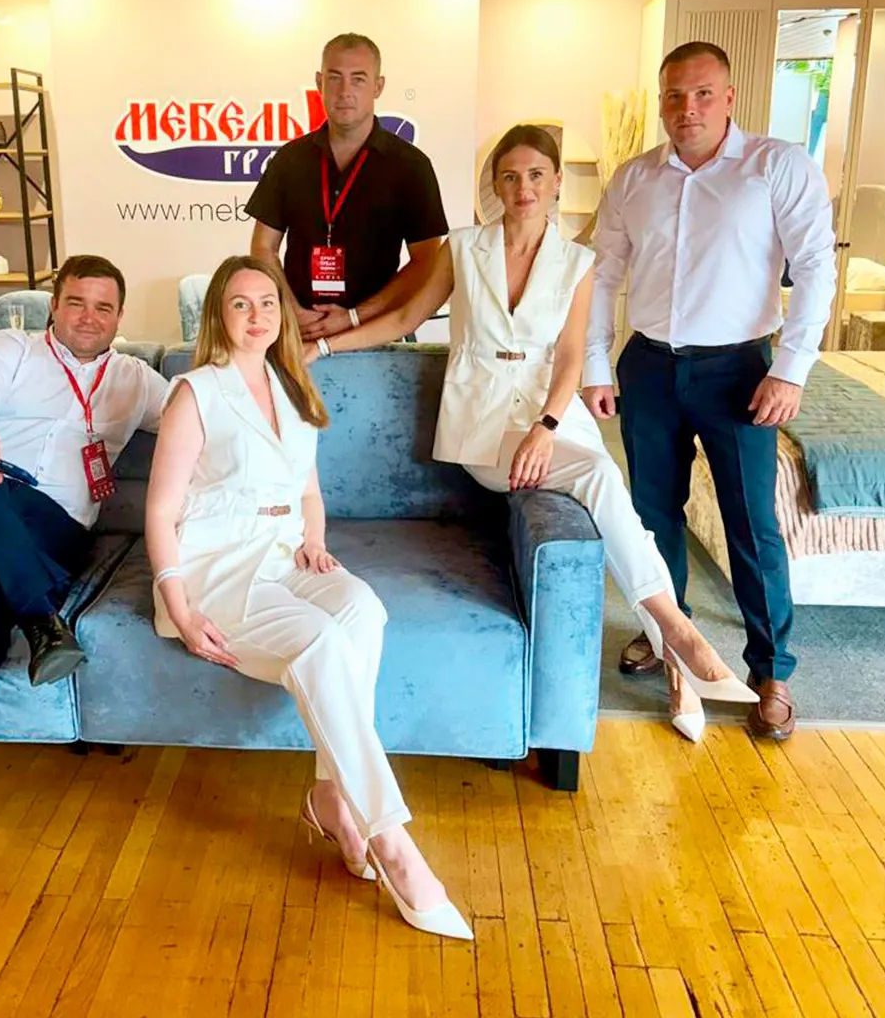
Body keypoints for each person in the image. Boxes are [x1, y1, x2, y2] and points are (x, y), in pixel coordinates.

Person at [304, 125, 757, 744]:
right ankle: (679, 632)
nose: (524, 188)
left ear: (556, 182)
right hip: (483, 425)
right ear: (495, 185)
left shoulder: (578, 263)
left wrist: (546, 427)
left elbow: (570, 357)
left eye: (536, 175)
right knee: (600, 475)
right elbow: (407, 315)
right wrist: (329, 344)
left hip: (553, 417)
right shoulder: (464, 249)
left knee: (611, 497)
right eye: (511, 176)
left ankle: (678, 659)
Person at [145, 254, 471, 940]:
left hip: (282, 555)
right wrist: (178, 607)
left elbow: (309, 491)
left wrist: (314, 542)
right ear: (218, 316)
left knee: (363, 609)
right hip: (214, 569)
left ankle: (330, 796)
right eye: (240, 303)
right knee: (319, 642)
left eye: (268, 302)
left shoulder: (293, 386)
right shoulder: (194, 393)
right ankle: (391, 840)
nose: (256, 315)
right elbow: (160, 510)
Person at [582, 41, 837, 742]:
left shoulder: (776, 166)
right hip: (650, 367)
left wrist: (792, 368)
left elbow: (816, 267)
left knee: (751, 522)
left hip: (741, 372)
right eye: (674, 95)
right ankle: (667, 635)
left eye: (701, 94)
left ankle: (771, 670)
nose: (686, 108)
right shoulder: (634, 178)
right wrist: (596, 365)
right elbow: (602, 274)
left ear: (728, 98)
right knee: (651, 514)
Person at [0, 256, 170, 850]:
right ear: (55, 306)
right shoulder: (11, 348)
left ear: (120, 316)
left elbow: (195, 415)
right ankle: (41, 619)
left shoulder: (136, 379)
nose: (89, 317)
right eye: (77, 303)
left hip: (50, 532)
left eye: (103, 307)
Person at [248, 32, 448, 342]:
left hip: (377, 336)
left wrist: (355, 316)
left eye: (358, 79)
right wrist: (290, 310)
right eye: (335, 78)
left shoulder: (411, 166)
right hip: (299, 332)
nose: (345, 91)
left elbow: (427, 261)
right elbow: (263, 247)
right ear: (319, 82)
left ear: (378, 86)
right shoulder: (289, 160)